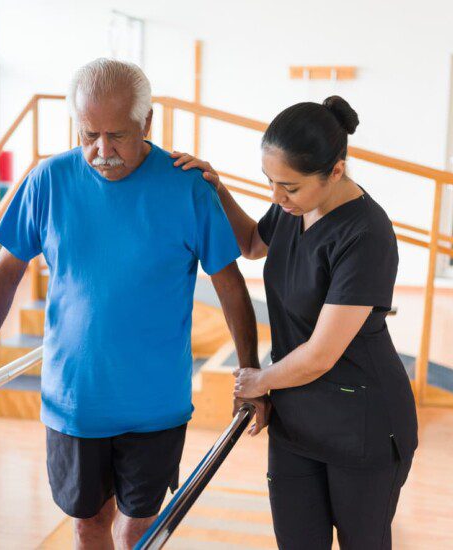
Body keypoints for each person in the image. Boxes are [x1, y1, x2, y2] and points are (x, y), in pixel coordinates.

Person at [0, 58, 266, 550]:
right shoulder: (48, 180)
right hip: (75, 403)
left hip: (155, 405)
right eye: (89, 134)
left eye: (118, 135)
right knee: (88, 525)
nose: (102, 151)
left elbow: (231, 285)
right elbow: (6, 270)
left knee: (139, 529)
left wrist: (250, 373)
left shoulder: (187, 187)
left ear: (148, 123)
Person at [172, 96, 418, 550]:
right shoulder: (293, 209)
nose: (276, 197)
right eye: (269, 182)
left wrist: (259, 381)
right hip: (297, 419)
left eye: (289, 186)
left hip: (361, 422)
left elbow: (323, 353)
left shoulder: (367, 234)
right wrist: (215, 186)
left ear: (337, 172)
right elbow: (249, 243)